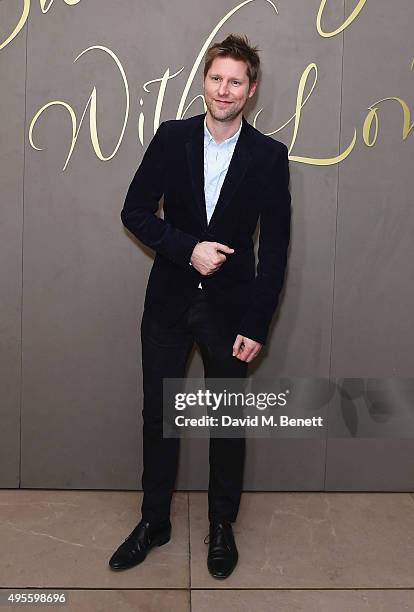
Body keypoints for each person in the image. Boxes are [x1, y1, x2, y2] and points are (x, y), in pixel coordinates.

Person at [109, 33, 291, 579]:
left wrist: (258, 323)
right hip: (167, 303)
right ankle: (153, 523)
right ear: (203, 81)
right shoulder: (171, 139)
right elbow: (134, 211)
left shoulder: (268, 156)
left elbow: (277, 247)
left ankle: (220, 528)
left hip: (233, 314)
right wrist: (188, 248)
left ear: (251, 89)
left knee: (226, 423)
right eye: (216, 78)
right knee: (158, 419)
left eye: (236, 81)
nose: (224, 89)